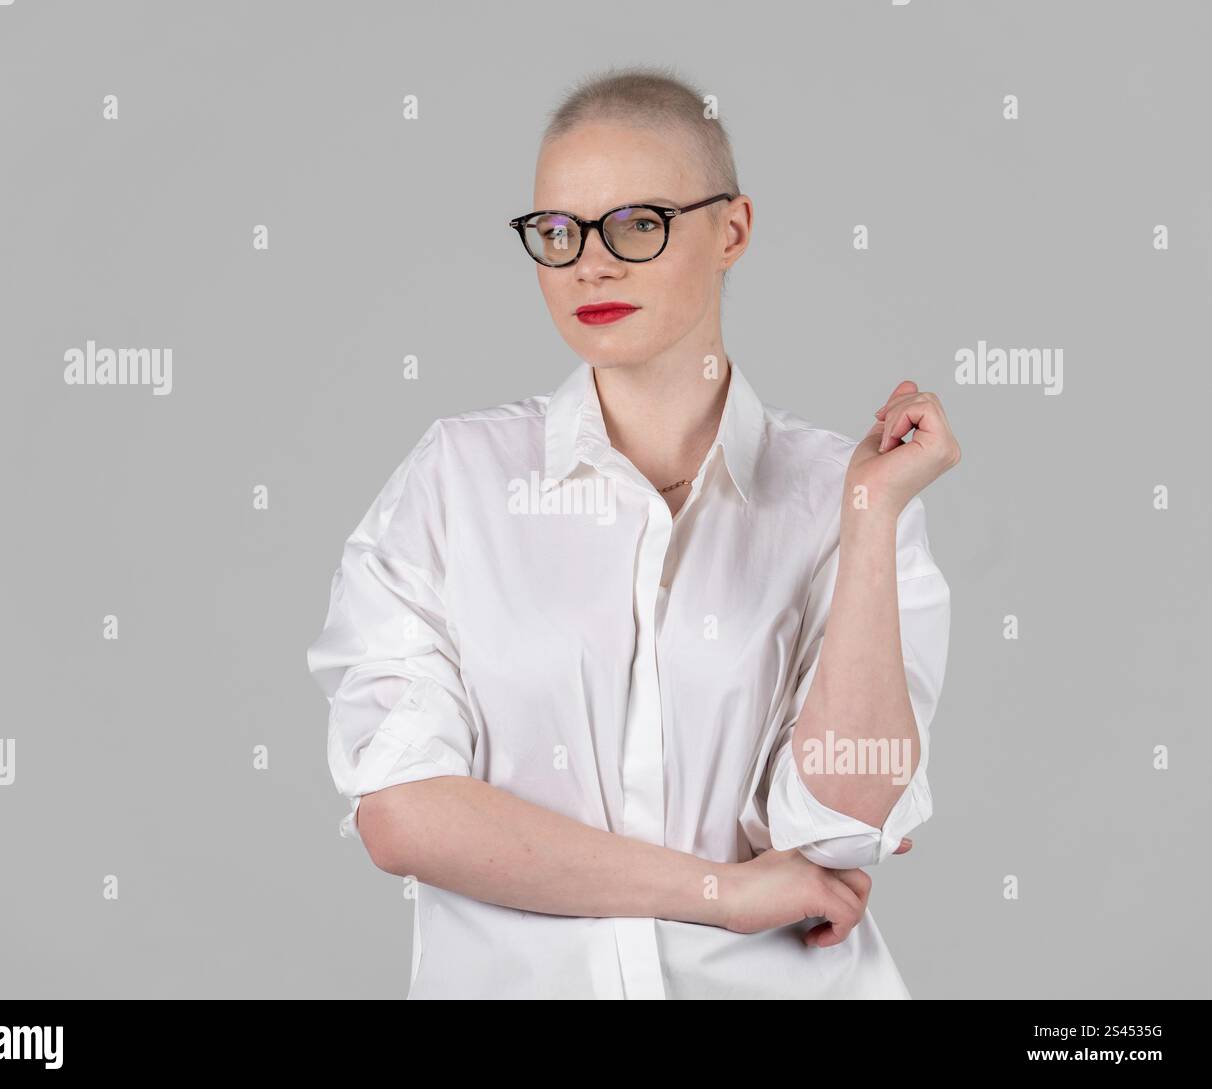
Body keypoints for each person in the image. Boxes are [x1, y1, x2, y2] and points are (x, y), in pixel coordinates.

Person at [307, 65, 960, 999]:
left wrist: (868, 518)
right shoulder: (457, 481)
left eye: (638, 223)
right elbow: (406, 816)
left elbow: (840, 828)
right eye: (558, 232)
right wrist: (721, 892)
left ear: (731, 229)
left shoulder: (839, 497)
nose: (589, 264)